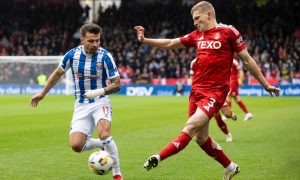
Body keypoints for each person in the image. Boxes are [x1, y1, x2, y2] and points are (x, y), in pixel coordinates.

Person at [134, 1, 280, 179]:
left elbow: (247, 59)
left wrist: (265, 84)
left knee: (191, 126)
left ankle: (158, 156)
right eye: (193, 20)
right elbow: (172, 42)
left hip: (215, 92)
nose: (195, 23)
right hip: (195, 92)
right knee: (200, 138)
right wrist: (145, 40)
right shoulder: (197, 35)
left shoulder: (229, 32)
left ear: (209, 15)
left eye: (197, 18)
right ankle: (230, 166)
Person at [30, 23, 123, 180]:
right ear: (82, 40)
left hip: (101, 101)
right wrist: (42, 93)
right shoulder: (72, 55)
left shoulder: (105, 56)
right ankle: (103, 145)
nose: (95, 44)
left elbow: (117, 84)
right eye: (91, 41)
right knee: (76, 145)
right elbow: (58, 73)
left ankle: (117, 174)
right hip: (81, 104)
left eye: (97, 41)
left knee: (104, 133)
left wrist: (99, 91)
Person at [190, 59, 237, 142]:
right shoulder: (194, 63)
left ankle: (232, 115)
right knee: (217, 117)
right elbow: (192, 78)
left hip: (217, 92)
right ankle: (228, 134)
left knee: (227, 114)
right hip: (204, 93)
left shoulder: (214, 58)